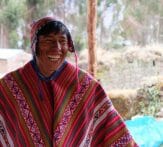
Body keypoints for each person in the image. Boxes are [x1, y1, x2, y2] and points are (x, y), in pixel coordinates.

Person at [0, 17, 138, 147]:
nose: (57, 48)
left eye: (62, 41)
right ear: (34, 45)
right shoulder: (9, 87)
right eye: (48, 41)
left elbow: (112, 129)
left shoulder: (87, 86)